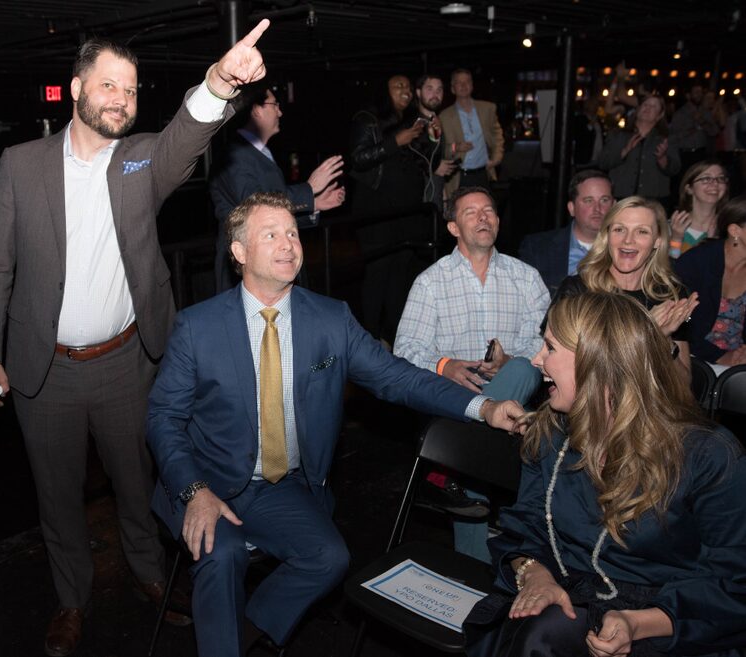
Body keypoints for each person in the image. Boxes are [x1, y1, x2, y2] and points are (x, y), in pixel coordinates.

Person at [0, 22, 270, 657]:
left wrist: (219, 80)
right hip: (42, 372)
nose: (120, 99)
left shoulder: (140, 161)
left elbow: (187, 134)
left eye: (130, 91)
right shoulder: (20, 165)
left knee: (138, 484)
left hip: (128, 364)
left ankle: (151, 576)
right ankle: (72, 600)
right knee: (58, 495)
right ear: (76, 88)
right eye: (107, 84)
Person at [145, 192, 523, 657]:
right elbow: (163, 418)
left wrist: (481, 408)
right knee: (219, 555)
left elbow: (396, 377)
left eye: (292, 233)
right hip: (205, 478)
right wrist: (194, 491)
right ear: (239, 252)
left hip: (278, 485)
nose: (288, 244)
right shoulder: (197, 327)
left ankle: (243, 631)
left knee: (330, 558)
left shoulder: (330, 319)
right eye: (271, 235)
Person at [464, 291, 746, 657]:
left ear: (599, 361)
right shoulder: (551, 434)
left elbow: (732, 582)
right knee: (540, 631)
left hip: (669, 619)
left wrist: (639, 622)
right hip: (567, 598)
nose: (536, 360)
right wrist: (535, 576)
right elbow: (526, 527)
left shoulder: (708, 456)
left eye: (550, 348)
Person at [394, 186, 548, 562]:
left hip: (517, 399)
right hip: (454, 401)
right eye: (471, 212)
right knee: (491, 413)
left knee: (523, 368)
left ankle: (458, 479)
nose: (483, 217)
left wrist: (509, 358)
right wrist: (446, 365)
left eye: (489, 211)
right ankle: (477, 575)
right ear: (453, 227)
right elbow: (405, 352)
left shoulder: (526, 278)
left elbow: (547, 345)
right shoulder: (431, 282)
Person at [209, 83, 345, 291]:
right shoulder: (234, 156)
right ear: (256, 110)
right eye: (275, 105)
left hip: (274, 266)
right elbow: (256, 205)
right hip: (248, 269)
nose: (280, 111)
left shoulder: (261, 152)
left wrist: (314, 204)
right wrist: (309, 189)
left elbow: (274, 214)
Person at [553, 196, 697, 381]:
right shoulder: (577, 291)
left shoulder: (670, 296)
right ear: (607, 236)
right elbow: (569, 373)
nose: (628, 240)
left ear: (658, 241)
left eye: (641, 232)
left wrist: (663, 341)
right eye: (619, 229)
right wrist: (645, 333)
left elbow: (683, 386)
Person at [348, 74, 429, 343]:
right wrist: (396, 140)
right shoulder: (367, 118)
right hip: (377, 212)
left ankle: (394, 336)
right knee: (378, 275)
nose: (405, 90)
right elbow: (359, 159)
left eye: (408, 86)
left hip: (407, 212)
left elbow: (423, 162)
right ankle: (368, 339)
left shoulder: (411, 122)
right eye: (398, 86)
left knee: (401, 275)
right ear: (384, 91)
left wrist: (433, 137)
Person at [674, 195, 746, 367]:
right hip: (692, 357)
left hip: (738, 359)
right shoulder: (696, 263)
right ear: (735, 231)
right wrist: (720, 356)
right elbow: (681, 324)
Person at [519, 170, 615, 295]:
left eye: (604, 200)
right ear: (572, 208)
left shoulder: (627, 250)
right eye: (588, 200)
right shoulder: (538, 248)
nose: (597, 209)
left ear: (614, 206)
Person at [598, 95, 680, 205]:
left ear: (660, 115)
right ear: (638, 109)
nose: (648, 108)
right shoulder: (618, 135)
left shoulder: (667, 138)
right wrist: (624, 151)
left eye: (653, 106)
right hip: (622, 198)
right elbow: (602, 162)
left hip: (653, 200)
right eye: (645, 104)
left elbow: (675, 169)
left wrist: (662, 159)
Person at [439, 68, 504, 195]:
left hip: (483, 173)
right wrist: (455, 147)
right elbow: (440, 150)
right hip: (459, 177)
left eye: (467, 81)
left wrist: (497, 158)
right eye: (459, 82)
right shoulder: (444, 116)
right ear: (453, 88)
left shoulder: (488, 109)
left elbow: (497, 135)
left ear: (472, 85)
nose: (463, 85)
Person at [412, 73, 458, 211]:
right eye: (430, 89)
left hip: (435, 193)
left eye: (439, 90)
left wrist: (443, 196)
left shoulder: (437, 120)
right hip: (417, 197)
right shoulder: (412, 123)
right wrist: (434, 166)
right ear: (418, 93)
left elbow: (439, 155)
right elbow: (407, 160)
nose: (435, 94)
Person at [668, 159, 729, 258]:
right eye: (706, 179)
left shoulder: (729, 229)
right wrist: (676, 239)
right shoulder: (672, 227)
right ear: (689, 189)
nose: (715, 183)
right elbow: (671, 267)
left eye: (721, 178)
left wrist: (711, 243)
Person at [670, 84, 720, 169]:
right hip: (685, 154)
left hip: (702, 154)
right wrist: (689, 131)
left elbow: (715, 131)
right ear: (688, 95)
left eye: (700, 92)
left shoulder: (705, 112)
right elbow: (672, 137)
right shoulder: (680, 113)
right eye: (696, 92)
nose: (699, 95)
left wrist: (701, 121)